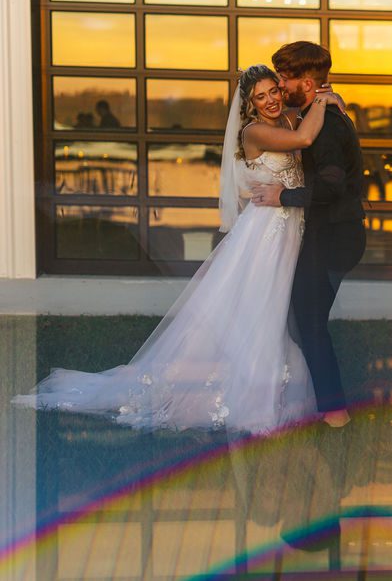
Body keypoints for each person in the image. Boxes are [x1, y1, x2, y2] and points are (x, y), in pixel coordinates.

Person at [12, 65, 344, 434]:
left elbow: (304, 126)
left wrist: (327, 101)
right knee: (261, 308)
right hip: (265, 234)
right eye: (260, 96)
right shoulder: (255, 132)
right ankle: (251, 396)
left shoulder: (285, 118)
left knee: (280, 309)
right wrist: (323, 99)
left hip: (288, 231)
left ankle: (278, 387)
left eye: (273, 92)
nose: (270, 100)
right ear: (248, 105)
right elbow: (304, 140)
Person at [251, 41, 366, 429]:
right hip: (325, 235)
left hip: (332, 239)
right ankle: (315, 403)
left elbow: (332, 187)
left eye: (284, 78)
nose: (280, 86)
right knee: (303, 323)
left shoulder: (328, 126)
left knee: (310, 325)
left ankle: (335, 414)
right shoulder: (316, 112)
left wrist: (283, 195)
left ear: (307, 81)